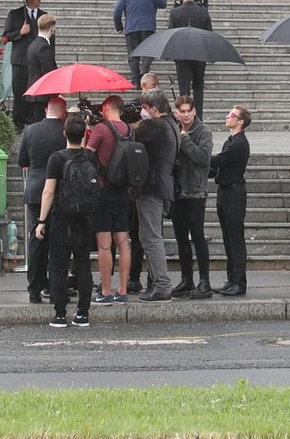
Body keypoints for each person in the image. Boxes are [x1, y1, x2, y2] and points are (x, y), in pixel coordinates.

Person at [35, 112, 96, 328]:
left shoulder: (57, 158)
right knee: (83, 265)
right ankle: (83, 314)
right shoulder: (90, 157)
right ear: (84, 134)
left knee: (58, 266)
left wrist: (41, 221)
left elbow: (48, 192)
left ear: (63, 134)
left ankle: (60, 314)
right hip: (85, 219)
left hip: (62, 219)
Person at [18, 95, 67, 303]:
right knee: (58, 241)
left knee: (36, 239)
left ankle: (34, 287)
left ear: (46, 109)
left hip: (36, 189)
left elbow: (22, 161)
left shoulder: (30, 130)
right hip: (60, 192)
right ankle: (55, 288)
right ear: (63, 112)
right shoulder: (66, 131)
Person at [85, 94, 133, 305]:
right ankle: (122, 291)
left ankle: (105, 291)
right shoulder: (131, 131)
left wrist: (87, 130)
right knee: (123, 242)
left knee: (104, 244)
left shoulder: (101, 129)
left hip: (103, 190)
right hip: (123, 191)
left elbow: (88, 155)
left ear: (106, 108)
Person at [133, 89, 180, 301]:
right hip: (164, 185)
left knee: (151, 237)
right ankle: (157, 283)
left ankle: (161, 285)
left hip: (152, 187)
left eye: (144, 108)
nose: (143, 112)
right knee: (150, 236)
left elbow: (130, 135)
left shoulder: (154, 125)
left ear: (153, 108)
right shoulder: (171, 124)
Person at [170, 95, 214, 299]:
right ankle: (186, 279)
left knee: (197, 236)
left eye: (189, 111)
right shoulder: (174, 129)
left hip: (195, 190)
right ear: (176, 112)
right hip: (177, 190)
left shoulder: (202, 131)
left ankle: (204, 281)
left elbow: (203, 158)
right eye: (182, 111)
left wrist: (184, 139)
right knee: (180, 238)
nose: (186, 115)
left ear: (194, 111)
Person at [210, 105, 252, 296]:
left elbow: (219, 161)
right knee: (228, 238)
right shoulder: (231, 140)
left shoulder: (239, 143)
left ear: (240, 121)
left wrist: (196, 154)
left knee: (235, 239)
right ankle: (231, 279)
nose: (227, 117)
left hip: (234, 193)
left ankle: (239, 282)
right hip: (225, 191)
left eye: (232, 115)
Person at [113, 0, 167, 89]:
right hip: (148, 27)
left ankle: (135, 81)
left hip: (131, 28)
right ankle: (144, 71)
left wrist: (119, 27)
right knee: (149, 52)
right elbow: (163, 4)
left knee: (133, 54)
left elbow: (117, 12)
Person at [168, 0, 212, 118]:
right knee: (198, 86)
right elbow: (209, 33)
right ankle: (198, 118)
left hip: (181, 53)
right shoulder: (203, 12)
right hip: (199, 52)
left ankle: (184, 115)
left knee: (184, 87)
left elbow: (171, 33)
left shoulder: (175, 12)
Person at [2, 0, 43, 130]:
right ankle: (18, 122)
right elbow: (6, 36)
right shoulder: (15, 14)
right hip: (19, 61)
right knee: (19, 92)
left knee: (35, 93)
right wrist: (20, 32)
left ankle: (33, 121)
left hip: (37, 60)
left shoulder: (43, 16)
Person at [25, 14, 58, 124]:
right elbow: (49, 73)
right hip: (42, 96)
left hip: (33, 94)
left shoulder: (32, 45)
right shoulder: (44, 46)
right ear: (51, 28)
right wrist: (56, 94)